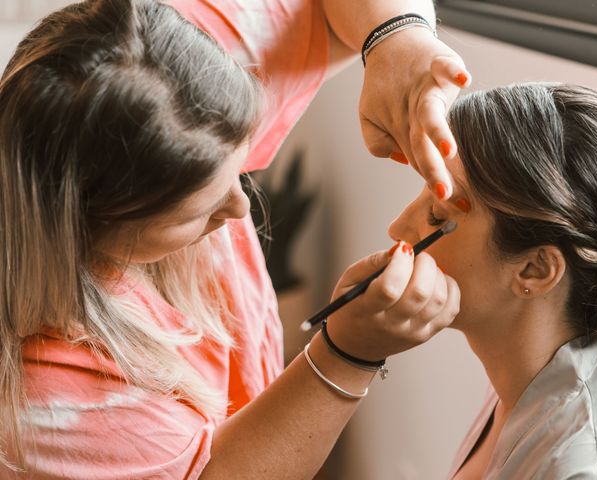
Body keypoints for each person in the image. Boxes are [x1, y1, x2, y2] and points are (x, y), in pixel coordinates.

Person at [0, 0, 466, 477]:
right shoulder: (46, 396)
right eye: (201, 210)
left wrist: (398, 40)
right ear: (83, 223)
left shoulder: (162, 79)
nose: (240, 208)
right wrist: (347, 354)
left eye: (239, 171)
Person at [388, 82, 597, 479]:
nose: (397, 227)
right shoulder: (528, 373)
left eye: (436, 216)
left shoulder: (578, 467)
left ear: (535, 270)